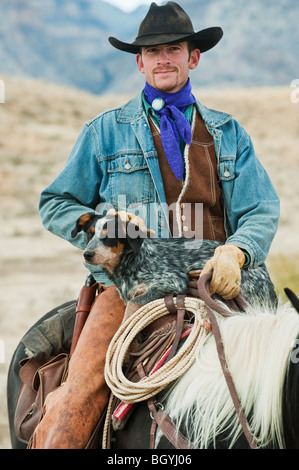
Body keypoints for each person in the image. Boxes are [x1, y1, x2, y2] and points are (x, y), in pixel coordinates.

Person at [33, 2, 280, 448]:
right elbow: (55, 201)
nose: (163, 58)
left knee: (282, 379)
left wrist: (237, 251)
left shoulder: (229, 133)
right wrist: (102, 226)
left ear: (193, 57)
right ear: (139, 62)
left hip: (215, 282)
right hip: (131, 291)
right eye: (153, 52)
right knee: (78, 399)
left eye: (174, 49)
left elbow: (260, 209)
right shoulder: (104, 131)